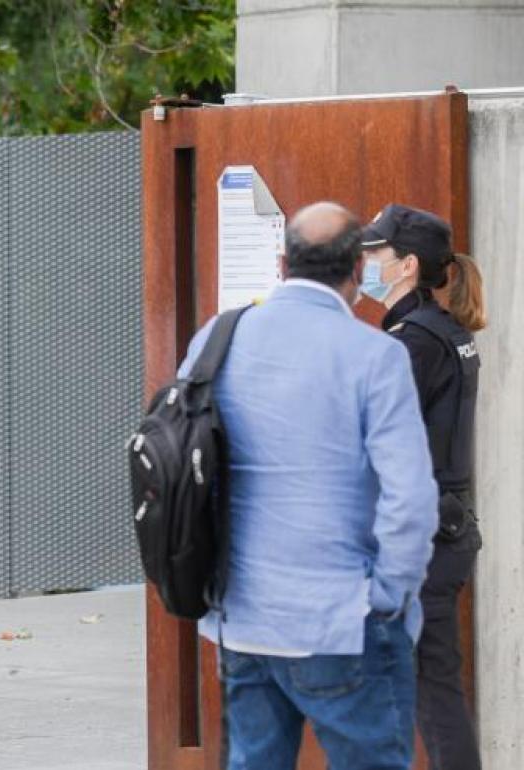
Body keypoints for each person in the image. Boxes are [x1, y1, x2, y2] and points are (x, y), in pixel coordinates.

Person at [181, 202, 438, 769]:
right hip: (344, 620)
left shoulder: (216, 340)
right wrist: (387, 600)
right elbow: (412, 500)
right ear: (355, 271)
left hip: (242, 619)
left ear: (282, 261)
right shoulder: (376, 355)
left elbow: (182, 470)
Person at [360, 204, 486, 770]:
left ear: (406, 266)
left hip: (427, 537)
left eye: (374, 254)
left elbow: (379, 443)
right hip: (446, 527)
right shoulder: (442, 330)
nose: (364, 263)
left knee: (434, 695)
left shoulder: (412, 343)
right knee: (431, 689)